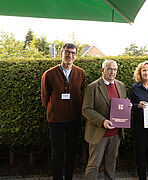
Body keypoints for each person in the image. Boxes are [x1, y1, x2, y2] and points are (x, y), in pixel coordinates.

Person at [41, 43, 86, 180]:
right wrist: (54, 109)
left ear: (76, 56)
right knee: (56, 152)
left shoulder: (80, 73)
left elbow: (83, 94)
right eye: (67, 52)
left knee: (71, 151)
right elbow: (45, 97)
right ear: (61, 53)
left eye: (73, 53)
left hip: (74, 119)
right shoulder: (49, 74)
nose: (69, 55)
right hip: (55, 120)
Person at [82, 60, 127, 180]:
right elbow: (86, 109)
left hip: (115, 133)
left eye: (115, 69)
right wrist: (102, 121)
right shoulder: (92, 87)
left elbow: (121, 105)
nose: (112, 72)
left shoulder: (121, 85)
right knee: (94, 165)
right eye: (109, 69)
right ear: (103, 70)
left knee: (111, 163)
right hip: (99, 132)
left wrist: (128, 107)